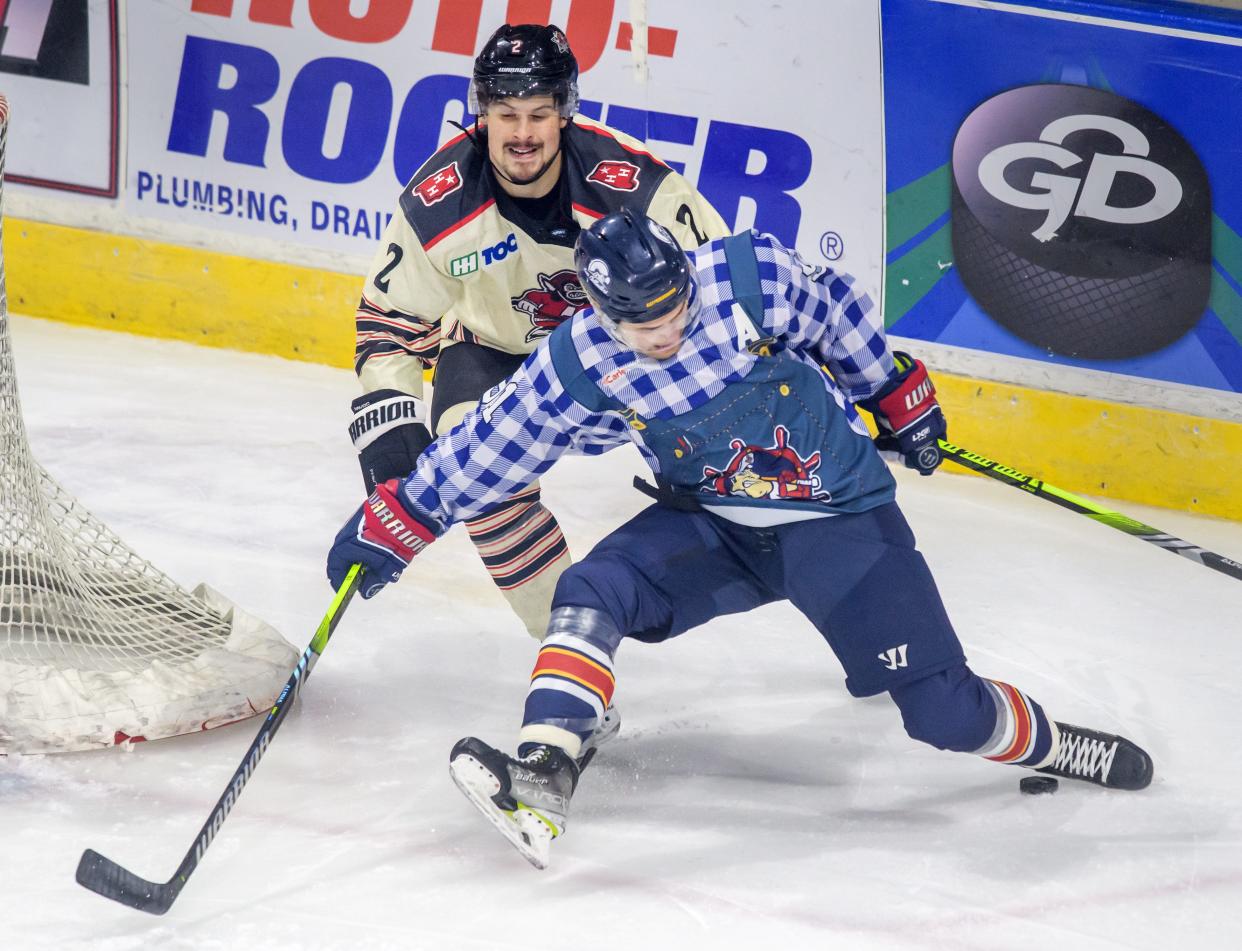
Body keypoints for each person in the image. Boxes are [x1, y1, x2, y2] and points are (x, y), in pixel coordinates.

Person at [327, 210, 1154, 870]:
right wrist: (400, 520)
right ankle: (543, 773)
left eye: (674, 303)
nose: (669, 327)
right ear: (603, 314)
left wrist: (891, 390)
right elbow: (492, 446)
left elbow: (832, 307)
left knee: (944, 714)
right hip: (711, 522)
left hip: (837, 519)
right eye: (644, 321)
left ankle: (1054, 740)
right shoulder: (578, 363)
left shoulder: (751, 278)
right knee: (590, 592)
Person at [347, 23, 728, 642]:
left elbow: (726, 287)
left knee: (754, 473)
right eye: (506, 114)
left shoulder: (637, 189)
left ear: (565, 114)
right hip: (494, 355)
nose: (522, 134)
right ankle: (573, 647)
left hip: (626, 359)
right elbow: (389, 325)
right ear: (483, 114)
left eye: (539, 114)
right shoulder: (438, 202)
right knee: (482, 487)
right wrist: (392, 437)